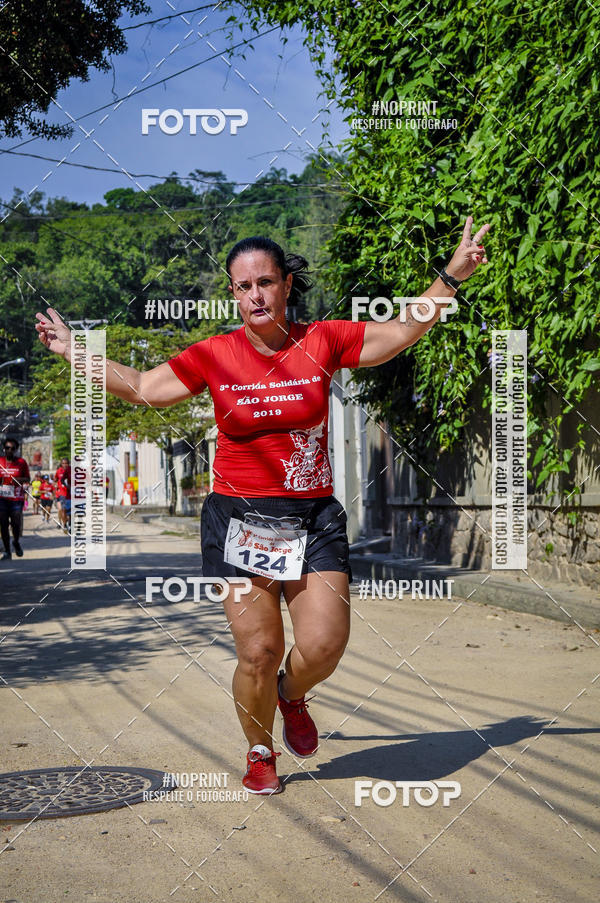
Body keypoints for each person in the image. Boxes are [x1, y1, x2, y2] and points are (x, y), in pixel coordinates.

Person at [36, 216, 490, 793]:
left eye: (266, 282)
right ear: (234, 293)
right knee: (258, 648)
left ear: (285, 286)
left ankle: (290, 694)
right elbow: (145, 387)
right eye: (244, 286)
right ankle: (259, 749)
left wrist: (452, 275)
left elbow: (399, 332)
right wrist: (77, 351)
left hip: (314, 516)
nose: (256, 294)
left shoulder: (322, 340)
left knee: (324, 645)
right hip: (240, 521)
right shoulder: (214, 355)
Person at [0, 437, 30, 560]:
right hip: (2, 498)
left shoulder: (21, 462)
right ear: (4, 449)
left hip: (16, 498)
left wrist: (17, 480)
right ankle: (7, 551)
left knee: (16, 523)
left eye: (12, 448)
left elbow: (27, 479)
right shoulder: (0, 461)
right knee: (3, 524)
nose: (10, 450)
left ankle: (16, 542)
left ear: (16, 450)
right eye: (7, 448)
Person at [54, 457, 72, 533]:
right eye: (63, 463)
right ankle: (64, 524)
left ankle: (70, 524)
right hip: (61, 493)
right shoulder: (59, 471)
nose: (65, 465)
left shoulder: (72, 470)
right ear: (61, 464)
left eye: (66, 463)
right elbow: (55, 480)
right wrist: (56, 489)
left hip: (71, 493)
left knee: (70, 511)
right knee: (62, 509)